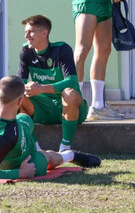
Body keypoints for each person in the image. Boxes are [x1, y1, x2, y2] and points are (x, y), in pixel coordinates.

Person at [0, 76, 101, 179]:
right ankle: (70, 155)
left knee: (24, 118)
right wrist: (20, 174)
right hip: (22, 159)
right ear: (21, 101)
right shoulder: (2, 137)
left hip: (20, 126)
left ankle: (36, 144)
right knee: (50, 158)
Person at [18, 15, 88, 152]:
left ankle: (65, 147)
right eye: (25, 32)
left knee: (69, 93)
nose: (26, 36)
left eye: (30, 31)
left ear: (44, 33)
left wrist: (41, 88)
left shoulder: (62, 49)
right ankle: (36, 149)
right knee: (15, 97)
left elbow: (72, 82)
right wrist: (26, 88)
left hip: (70, 107)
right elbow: (20, 83)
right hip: (43, 108)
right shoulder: (26, 51)